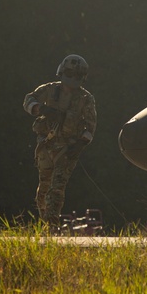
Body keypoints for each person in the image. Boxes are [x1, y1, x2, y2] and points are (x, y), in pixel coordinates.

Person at [23, 55, 97, 221]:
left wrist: (79, 145)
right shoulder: (49, 89)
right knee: (44, 187)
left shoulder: (86, 99)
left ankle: (51, 226)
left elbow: (90, 126)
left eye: (76, 75)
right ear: (62, 72)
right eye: (70, 73)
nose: (72, 78)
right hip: (46, 145)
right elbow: (28, 100)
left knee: (57, 189)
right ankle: (43, 220)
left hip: (67, 148)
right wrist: (41, 109)